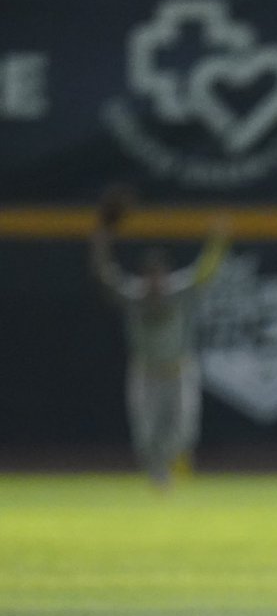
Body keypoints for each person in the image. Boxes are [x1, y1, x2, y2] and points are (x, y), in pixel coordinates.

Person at [88, 186, 231, 489]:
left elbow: (204, 273)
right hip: (146, 372)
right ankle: (158, 477)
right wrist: (101, 240)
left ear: (165, 273)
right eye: (150, 273)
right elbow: (105, 275)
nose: (155, 278)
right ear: (145, 275)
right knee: (145, 433)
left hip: (179, 370)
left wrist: (217, 242)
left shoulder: (177, 291)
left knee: (183, 431)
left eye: (159, 272)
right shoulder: (134, 295)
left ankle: (169, 467)